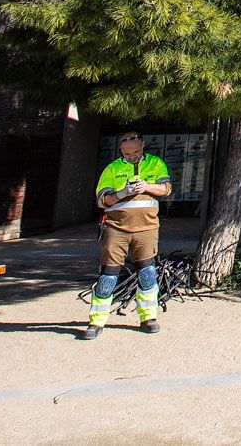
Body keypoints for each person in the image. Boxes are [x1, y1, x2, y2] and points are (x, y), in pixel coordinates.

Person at [81, 130, 172, 339]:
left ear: (142, 144)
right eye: (129, 153)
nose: (133, 156)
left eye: (137, 151)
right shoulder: (112, 169)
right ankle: (97, 320)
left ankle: (148, 317)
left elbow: (166, 188)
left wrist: (147, 186)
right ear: (121, 148)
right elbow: (102, 200)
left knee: (147, 272)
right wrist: (122, 192)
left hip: (146, 228)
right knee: (108, 275)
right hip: (116, 228)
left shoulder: (156, 164)